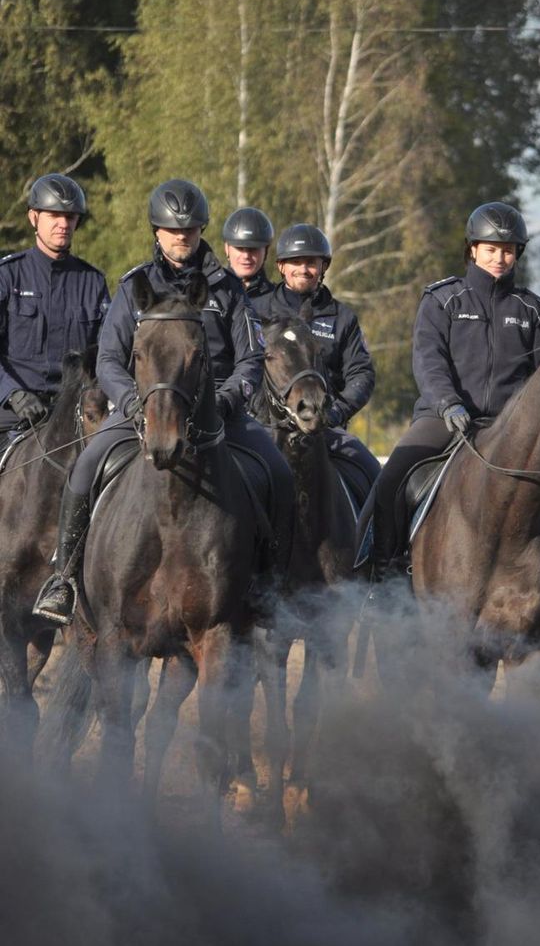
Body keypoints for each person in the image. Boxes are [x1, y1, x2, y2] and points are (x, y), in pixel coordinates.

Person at [34, 178, 294, 625]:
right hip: (144, 413)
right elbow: (111, 358)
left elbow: (251, 356)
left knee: (279, 473)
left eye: (191, 230)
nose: (182, 237)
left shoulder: (227, 288)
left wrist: (232, 399)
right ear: (157, 232)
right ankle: (65, 579)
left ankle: (271, 587)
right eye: (174, 230)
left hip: (217, 416)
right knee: (85, 466)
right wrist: (131, 403)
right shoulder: (134, 286)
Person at [368, 200, 540, 630]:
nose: (500, 257)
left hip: (513, 432)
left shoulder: (535, 311)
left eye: (509, 250)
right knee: (392, 478)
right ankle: (378, 577)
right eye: (491, 248)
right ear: (472, 249)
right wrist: (447, 403)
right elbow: (428, 360)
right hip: (445, 419)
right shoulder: (442, 300)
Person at [253, 223, 380, 499]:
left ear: (323, 267)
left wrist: (335, 413)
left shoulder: (343, 318)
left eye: (311, 262)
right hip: (264, 428)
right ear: (281, 266)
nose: (303, 269)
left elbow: (362, 374)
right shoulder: (257, 310)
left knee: (374, 474)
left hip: (323, 429)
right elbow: (243, 363)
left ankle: (377, 540)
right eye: (295, 262)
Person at [0, 173, 109, 442]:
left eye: (70, 217)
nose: (63, 224)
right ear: (33, 218)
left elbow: (109, 352)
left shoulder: (93, 281)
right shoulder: (8, 276)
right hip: (13, 409)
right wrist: (13, 394)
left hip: (77, 413)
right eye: (54, 216)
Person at [222, 206, 275, 299]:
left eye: (253, 249)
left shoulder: (278, 300)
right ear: (227, 249)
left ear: (266, 251)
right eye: (240, 248)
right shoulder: (211, 294)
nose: (246, 256)